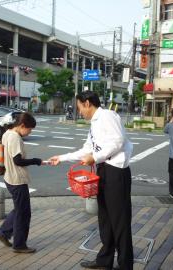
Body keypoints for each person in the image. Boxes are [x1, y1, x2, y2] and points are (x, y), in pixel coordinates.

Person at [49, 91, 133, 270]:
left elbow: (118, 141)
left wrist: (95, 157)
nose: (79, 111)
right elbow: (87, 149)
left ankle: (126, 265)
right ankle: (105, 260)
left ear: (87, 103)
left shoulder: (107, 116)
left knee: (120, 221)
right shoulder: (93, 124)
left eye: (79, 107)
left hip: (117, 173)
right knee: (105, 218)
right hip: (103, 170)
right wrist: (62, 158)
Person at [0, 112, 43, 253]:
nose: (30, 132)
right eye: (29, 129)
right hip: (17, 179)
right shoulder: (15, 137)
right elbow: (18, 161)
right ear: (22, 126)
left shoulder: (7, 133)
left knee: (19, 209)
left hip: (9, 177)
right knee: (23, 213)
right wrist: (36, 161)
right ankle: (19, 245)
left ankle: (3, 232)